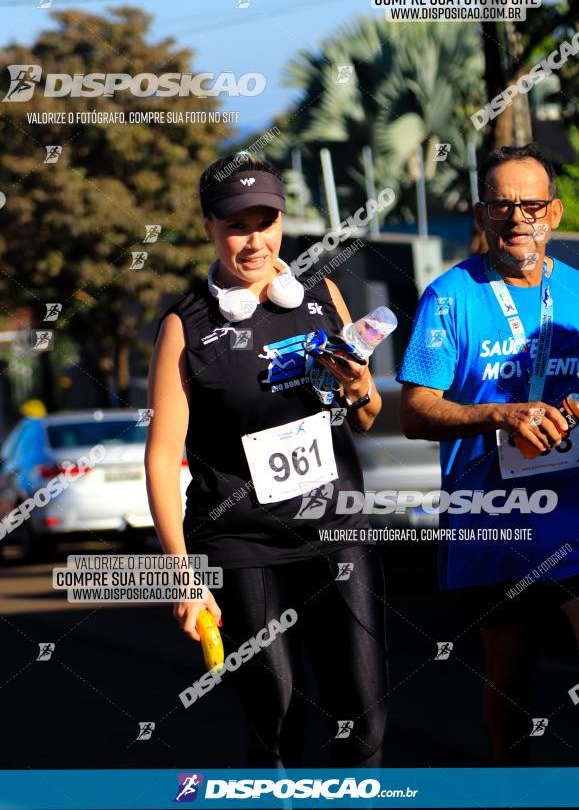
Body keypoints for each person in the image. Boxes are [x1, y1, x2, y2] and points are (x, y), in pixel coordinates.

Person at [145, 154, 390, 769]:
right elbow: (161, 458)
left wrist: (358, 385)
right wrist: (182, 573)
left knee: (363, 718)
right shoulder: (186, 326)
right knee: (276, 712)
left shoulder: (319, 296)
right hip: (241, 541)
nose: (254, 241)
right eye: (236, 225)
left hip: (336, 532)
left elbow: (365, 416)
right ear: (208, 226)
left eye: (266, 221)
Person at [397, 143, 579, 765]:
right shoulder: (449, 297)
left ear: (554, 213)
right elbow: (415, 411)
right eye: (502, 205)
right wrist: (499, 414)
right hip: (492, 517)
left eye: (531, 204)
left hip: (577, 512)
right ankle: (509, 791)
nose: (518, 218)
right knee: (510, 674)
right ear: (482, 215)